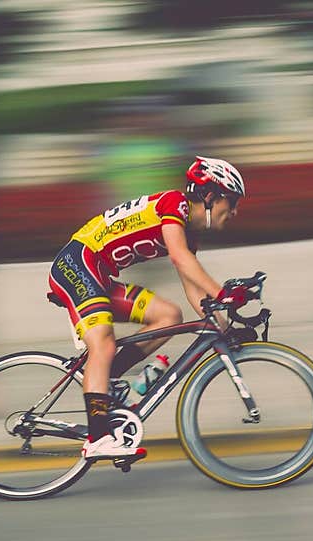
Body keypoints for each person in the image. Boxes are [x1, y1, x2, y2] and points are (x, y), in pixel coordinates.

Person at [47, 155, 248, 461]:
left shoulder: (188, 232)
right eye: (231, 202)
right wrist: (223, 291)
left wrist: (222, 326)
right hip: (78, 263)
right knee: (103, 342)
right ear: (210, 196)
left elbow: (193, 288)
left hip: (98, 276)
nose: (234, 212)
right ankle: (98, 438)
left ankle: (106, 378)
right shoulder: (174, 204)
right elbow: (181, 259)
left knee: (169, 316)